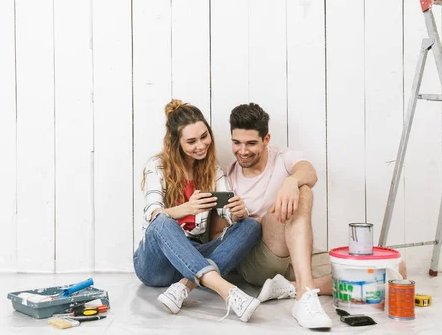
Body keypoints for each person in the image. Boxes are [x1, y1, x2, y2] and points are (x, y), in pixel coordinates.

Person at [134, 99, 262, 322]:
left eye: (204, 136)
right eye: (191, 141)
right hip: (157, 264)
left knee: (251, 225)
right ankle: (228, 291)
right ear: (177, 144)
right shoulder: (157, 166)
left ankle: (185, 286)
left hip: (190, 259)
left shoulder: (213, 170)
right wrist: (186, 208)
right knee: (163, 221)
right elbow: (152, 214)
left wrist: (237, 213)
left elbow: (227, 215)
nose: (201, 145)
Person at [225, 102, 333, 329]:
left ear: (266, 140)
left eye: (251, 143)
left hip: (292, 251)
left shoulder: (283, 157)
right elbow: (222, 236)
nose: (242, 151)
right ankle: (304, 296)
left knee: (381, 275)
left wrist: (291, 181)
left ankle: (290, 287)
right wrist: (240, 218)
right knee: (303, 194)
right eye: (237, 143)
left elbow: (309, 173)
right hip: (257, 260)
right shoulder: (229, 176)